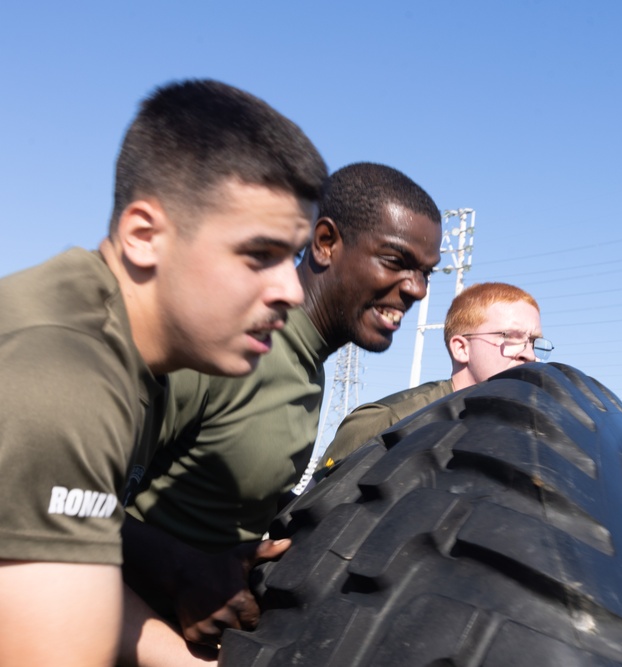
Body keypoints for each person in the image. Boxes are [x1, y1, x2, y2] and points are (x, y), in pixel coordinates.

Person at [0, 79, 326, 666]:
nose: (290, 291)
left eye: (293, 259)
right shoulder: (64, 373)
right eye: (260, 255)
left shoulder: (119, 348)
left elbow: (60, 575)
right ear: (144, 236)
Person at [123, 163, 442, 660]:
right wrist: (183, 569)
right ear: (326, 242)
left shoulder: (305, 368)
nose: (417, 288)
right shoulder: (223, 344)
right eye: (397, 260)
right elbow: (46, 498)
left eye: (426, 272)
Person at [318, 282, 551, 470]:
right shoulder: (391, 420)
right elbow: (310, 516)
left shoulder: (530, 435)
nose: (528, 355)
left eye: (533, 342)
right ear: (461, 348)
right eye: (510, 337)